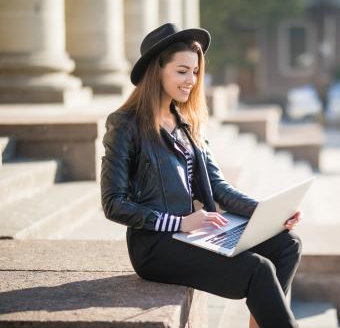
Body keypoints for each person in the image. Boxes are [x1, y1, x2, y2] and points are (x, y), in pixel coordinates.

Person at [100, 23, 302, 328]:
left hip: (193, 234)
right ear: (157, 71)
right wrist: (179, 223)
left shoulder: (187, 124)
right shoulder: (125, 125)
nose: (191, 81)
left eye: (195, 72)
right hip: (155, 246)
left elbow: (219, 188)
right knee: (257, 269)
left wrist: (266, 214)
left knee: (287, 245)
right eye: (182, 71)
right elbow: (113, 203)